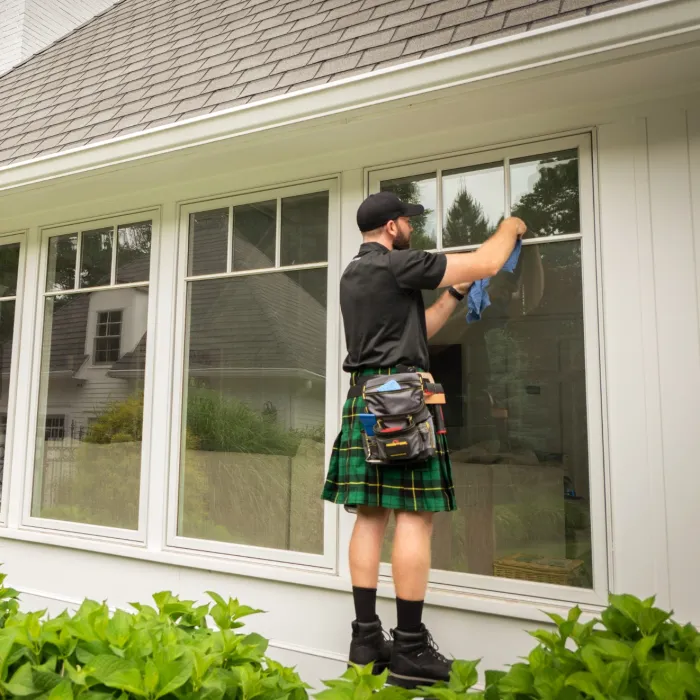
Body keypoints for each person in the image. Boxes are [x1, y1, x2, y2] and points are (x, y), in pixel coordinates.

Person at [321, 190, 526, 689]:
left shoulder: (354, 274)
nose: (411, 229)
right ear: (393, 228)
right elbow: (489, 258)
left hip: (368, 396)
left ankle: (366, 639)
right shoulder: (397, 264)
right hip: (406, 399)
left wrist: (455, 294)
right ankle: (409, 646)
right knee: (415, 515)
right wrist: (513, 226)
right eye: (407, 223)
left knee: (370, 514)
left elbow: (421, 329)